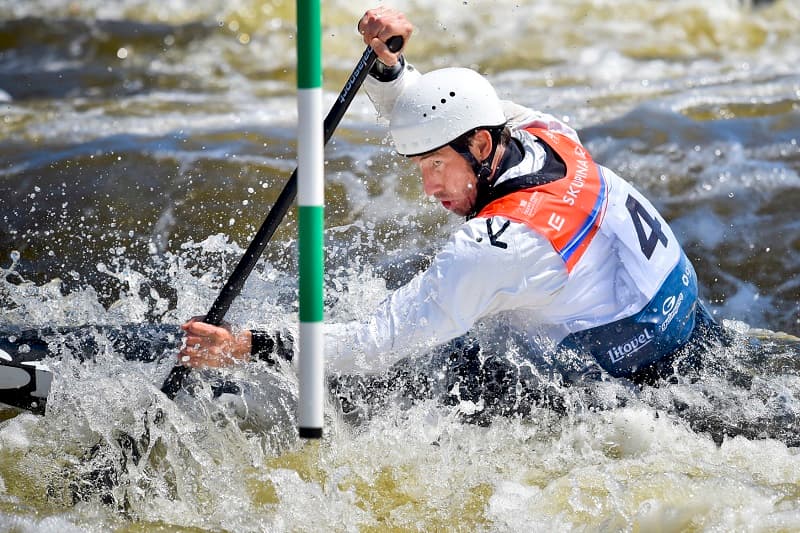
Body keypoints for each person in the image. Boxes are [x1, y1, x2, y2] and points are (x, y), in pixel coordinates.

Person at [177, 6, 722, 419]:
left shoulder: (498, 245)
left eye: (436, 166)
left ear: (482, 148)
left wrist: (249, 346)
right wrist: (387, 68)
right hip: (688, 320)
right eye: (420, 165)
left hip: (634, 374)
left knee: (430, 378)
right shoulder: (541, 131)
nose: (428, 186)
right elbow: (441, 111)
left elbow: (377, 340)